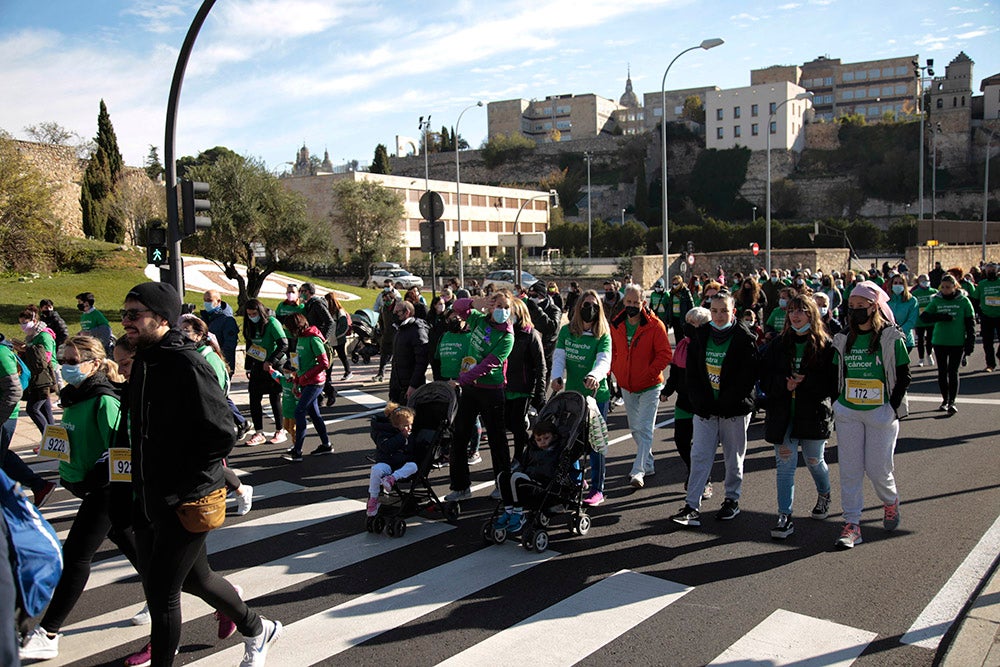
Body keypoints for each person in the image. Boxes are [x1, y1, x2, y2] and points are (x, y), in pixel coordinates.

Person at [121, 282, 282, 666]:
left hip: (186, 496)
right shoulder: (146, 358)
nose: (126, 321)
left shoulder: (187, 363)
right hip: (150, 492)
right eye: (124, 313)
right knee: (196, 578)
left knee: (162, 593)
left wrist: (183, 480)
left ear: (161, 318)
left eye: (134, 314)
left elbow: (222, 433)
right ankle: (259, 628)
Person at [18, 336, 141, 662]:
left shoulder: (104, 400)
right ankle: (209, 594)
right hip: (85, 487)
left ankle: (48, 632)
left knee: (75, 556)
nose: (65, 367)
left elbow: (120, 452)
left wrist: (93, 479)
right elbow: (76, 436)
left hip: (105, 490)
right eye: (64, 360)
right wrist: (53, 442)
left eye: (73, 361)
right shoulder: (74, 396)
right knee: (142, 554)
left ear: (95, 363)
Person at [831, 281, 910, 549]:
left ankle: (890, 501)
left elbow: (903, 375)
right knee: (850, 470)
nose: (854, 311)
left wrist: (891, 405)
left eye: (860, 306)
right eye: (851, 306)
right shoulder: (843, 338)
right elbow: (835, 372)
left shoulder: (890, 337)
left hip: (880, 412)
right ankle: (852, 524)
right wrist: (837, 402)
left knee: (878, 470)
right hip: (848, 412)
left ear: (874, 307)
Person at [670, 291, 759, 527]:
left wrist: (725, 404)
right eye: (715, 311)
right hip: (706, 409)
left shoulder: (744, 338)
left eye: (724, 311)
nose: (719, 316)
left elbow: (746, 379)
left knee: (733, 457)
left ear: (733, 312)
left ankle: (731, 500)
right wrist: (703, 403)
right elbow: (693, 375)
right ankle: (691, 506)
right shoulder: (701, 336)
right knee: (699, 455)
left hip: (734, 410)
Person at [760, 295, 835, 540]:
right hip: (783, 415)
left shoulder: (825, 344)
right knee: (785, 467)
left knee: (815, 461)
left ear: (812, 314)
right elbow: (765, 378)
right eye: (792, 310)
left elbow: (833, 383)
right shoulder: (778, 344)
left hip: (812, 414)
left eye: (802, 310)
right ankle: (784, 515)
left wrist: (806, 383)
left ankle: (824, 494)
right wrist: (785, 385)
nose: (795, 315)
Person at [177, 317, 254, 515]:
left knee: (215, 465)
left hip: (212, 420)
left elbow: (217, 395)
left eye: (186, 330)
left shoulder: (209, 358)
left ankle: (241, 491)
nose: (182, 333)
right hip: (194, 419)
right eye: (180, 329)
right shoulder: (190, 355)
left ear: (199, 335)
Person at [444, 292, 515, 502]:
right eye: (498, 305)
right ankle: (460, 487)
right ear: (491, 307)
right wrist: (476, 302)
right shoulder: (477, 319)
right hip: (470, 389)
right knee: (459, 436)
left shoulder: (507, 336)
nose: (502, 310)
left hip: (491, 391)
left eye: (506, 307)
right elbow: (457, 307)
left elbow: (488, 365)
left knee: (497, 440)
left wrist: (462, 380)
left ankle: (502, 485)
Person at [610, 285, 672, 492]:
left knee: (645, 427)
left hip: (650, 386)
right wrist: (615, 371)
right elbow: (612, 350)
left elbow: (665, 354)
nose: (632, 306)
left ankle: (638, 470)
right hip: (627, 385)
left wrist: (649, 373)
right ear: (624, 302)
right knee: (635, 428)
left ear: (643, 303)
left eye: (636, 303)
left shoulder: (655, 325)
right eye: (628, 302)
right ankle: (649, 462)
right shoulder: (616, 323)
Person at [551, 290, 611, 505]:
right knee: (570, 440)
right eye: (586, 305)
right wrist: (556, 377)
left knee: (595, 443)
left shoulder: (603, 334)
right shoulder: (567, 331)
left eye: (594, 305)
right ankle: (576, 480)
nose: (589, 309)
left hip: (597, 395)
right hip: (573, 395)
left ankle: (597, 489)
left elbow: (604, 360)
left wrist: (594, 375)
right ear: (578, 307)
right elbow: (559, 357)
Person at [660, 307, 713, 502]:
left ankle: (705, 481)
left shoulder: (709, 347)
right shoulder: (682, 346)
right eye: (688, 322)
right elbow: (674, 374)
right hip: (683, 402)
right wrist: (667, 391)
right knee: (681, 441)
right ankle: (693, 472)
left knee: (700, 447)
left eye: (693, 324)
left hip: (702, 405)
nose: (688, 326)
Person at [919, 275, 976, 415]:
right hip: (939, 341)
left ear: (955, 287)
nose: (945, 290)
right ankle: (945, 400)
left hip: (957, 341)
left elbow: (970, 323)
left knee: (953, 371)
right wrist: (941, 316)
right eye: (943, 287)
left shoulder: (963, 301)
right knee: (942, 372)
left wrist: (970, 342)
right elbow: (924, 317)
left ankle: (952, 402)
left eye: (948, 287)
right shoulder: (936, 300)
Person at [492, 419, 562, 534]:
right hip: (528, 479)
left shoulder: (556, 452)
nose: (543, 442)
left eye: (546, 438)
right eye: (539, 440)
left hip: (543, 483)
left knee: (517, 477)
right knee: (502, 476)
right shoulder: (532, 449)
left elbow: (552, 471)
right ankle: (509, 510)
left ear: (554, 437)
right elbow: (522, 465)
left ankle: (519, 514)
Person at [282, 313, 332, 461]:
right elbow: (298, 363)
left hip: (315, 382)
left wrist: (305, 377)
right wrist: (297, 381)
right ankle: (326, 444)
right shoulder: (301, 338)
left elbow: (324, 363)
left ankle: (297, 451)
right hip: (305, 382)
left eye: (290, 328)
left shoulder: (313, 338)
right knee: (314, 414)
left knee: (299, 412)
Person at [504, 299, 546, 465]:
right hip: (506, 386)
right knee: (510, 423)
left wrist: (540, 391)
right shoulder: (505, 333)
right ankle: (532, 448)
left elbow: (541, 365)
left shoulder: (531, 335)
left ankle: (519, 457)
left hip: (523, 386)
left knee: (517, 423)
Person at [241, 300, 288, 446]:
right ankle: (259, 432)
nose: (252, 317)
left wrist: (272, 361)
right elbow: (250, 345)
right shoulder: (249, 323)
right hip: (257, 364)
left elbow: (283, 344)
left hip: (273, 365)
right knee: (254, 398)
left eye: (254, 314)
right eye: (249, 314)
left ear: (260, 312)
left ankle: (280, 430)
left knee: (275, 398)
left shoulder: (272, 323)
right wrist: (248, 367)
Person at [366, 403, 421, 520]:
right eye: (406, 425)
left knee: (413, 466)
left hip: (401, 465)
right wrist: (401, 437)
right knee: (376, 469)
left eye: (411, 424)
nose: (409, 428)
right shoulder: (383, 432)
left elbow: (412, 451)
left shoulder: (410, 435)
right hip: (387, 462)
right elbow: (386, 446)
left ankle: (391, 479)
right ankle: (373, 498)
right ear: (396, 425)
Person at [14, 306, 58, 437]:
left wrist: (25, 349)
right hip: (37, 377)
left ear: (33, 320)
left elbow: (45, 358)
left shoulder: (44, 336)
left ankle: (48, 438)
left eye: (25, 322)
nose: (23, 326)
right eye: (21, 323)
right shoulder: (32, 336)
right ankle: (55, 439)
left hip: (44, 377)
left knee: (32, 409)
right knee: (46, 409)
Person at [298, 283, 337, 405]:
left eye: (302, 291)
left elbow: (330, 322)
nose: (300, 293)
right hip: (311, 341)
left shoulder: (317, 304)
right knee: (314, 371)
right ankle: (318, 399)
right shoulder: (308, 305)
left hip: (318, 342)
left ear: (309, 292)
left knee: (321, 370)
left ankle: (330, 393)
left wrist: (321, 338)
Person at [388, 301, 429, 404]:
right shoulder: (400, 328)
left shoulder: (417, 330)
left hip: (410, 386)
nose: (395, 314)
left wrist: (413, 385)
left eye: (397, 312)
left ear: (407, 312)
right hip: (398, 384)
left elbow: (422, 361)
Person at [525, 281, 561, 381]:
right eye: (530, 295)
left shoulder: (554, 310)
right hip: (529, 351)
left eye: (535, 295)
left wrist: (537, 311)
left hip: (546, 352)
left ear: (542, 296)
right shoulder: (528, 308)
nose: (532, 298)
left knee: (542, 383)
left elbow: (552, 328)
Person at [199, 291, 239, 374]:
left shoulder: (227, 320)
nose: (206, 303)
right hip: (206, 361)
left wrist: (223, 363)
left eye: (209, 300)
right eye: (205, 300)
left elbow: (229, 346)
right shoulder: (205, 318)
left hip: (220, 364)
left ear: (218, 301)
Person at [886, 274, 919, 353]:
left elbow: (912, 321)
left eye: (900, 283)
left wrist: (899, 331)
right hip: (887, 339)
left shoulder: (912, 300)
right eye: (895, 283)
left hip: (905, 341)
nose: (898, 285)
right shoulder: (886, 300)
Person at [324, 292, 353, 381]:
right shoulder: (328, 311)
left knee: (342, 356)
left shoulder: (340, 312)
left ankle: (348, 372)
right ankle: (328, 377)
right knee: (330, 358)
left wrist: (337, 335)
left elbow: (344, 326)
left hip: (338, 339)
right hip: (330, 339)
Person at [910, 274, 937, 367]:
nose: (926, 282)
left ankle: (929, 355)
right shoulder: (915, 293)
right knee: (920, 340)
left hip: (931, 320)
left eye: (927, 280)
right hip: (919, 321)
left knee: (929, 339)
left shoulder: (934, 292)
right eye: (923, 280)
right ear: (919, 282)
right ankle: (921, 358)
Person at [977, 262, 1000, 372]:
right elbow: (976, 299)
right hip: (987, 317)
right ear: (985, 272)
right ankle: (990, 364)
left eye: (993, 270)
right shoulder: (982, 284)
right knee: (987, 342)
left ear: (997, 271)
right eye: (988, 270)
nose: (991, 272)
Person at [374, 288, 400, 382]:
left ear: (392, 298)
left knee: (396, 357)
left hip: (396, 335)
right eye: (384, 300)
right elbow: (380, 320)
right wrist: (382, 331)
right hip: (386, 335)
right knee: (383, 355)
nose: (385, 302)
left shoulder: (398, 307)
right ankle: (380, 374)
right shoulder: (383, 308)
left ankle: (395, 375)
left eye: (387, 300)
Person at [426, 296, 450, 381]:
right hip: (433, 347)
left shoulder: (446, 317)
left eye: (443, 304)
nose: (442, 306)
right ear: (434, 305)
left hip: (443, 347)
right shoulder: (430, 316)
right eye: (440, 304)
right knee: (436, 373)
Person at [667, 275, 694, 343]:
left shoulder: (685, 292)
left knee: (684, 338)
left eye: (676, 284)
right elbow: (670, 306)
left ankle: (684, 352)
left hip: (683, 318)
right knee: (677, 337)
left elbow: (691, 304)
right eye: (673, 284)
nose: (674, 286)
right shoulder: (672, 293)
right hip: (675, 318)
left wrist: (691, 316)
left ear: (680, 283)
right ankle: (679, 351)